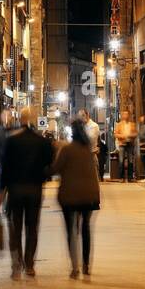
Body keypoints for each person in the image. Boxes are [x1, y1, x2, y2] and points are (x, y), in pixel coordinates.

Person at [0, 106, 54, 279]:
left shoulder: (11, 140)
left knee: (16, 227)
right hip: (34, 190)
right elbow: (49, 164)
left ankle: (16, 264)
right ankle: (29, 265)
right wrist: (42, 178)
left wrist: (1, 192)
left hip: (15, 190)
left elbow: (5, 168)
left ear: (19, 119)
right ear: (33, 119)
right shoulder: (41, 141)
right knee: (32, 227)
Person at [52, 118, 101, 278]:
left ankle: (75, 267)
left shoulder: (67, 150)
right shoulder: (88, 150)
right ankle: (86, 265)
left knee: (71, 231)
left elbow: (56, 168)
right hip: (89, 195)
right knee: (85, 228)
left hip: (70, 195)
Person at [0, 109, 15, 186]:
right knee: (0, 187)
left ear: (11, 117)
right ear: (1, 117)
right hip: (0, 163)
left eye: (8, 115)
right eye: (4, 115)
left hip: (13, 164)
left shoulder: (16, 130)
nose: (6, 117)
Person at [115, 110, 138, 182]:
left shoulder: (132, 124)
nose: (126, 116)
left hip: (130, 144)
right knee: (121, 160)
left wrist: (130, 135)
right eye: (124, 114)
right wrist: (123, 136)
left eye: (127, 114)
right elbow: (115, 134)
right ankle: (121, 177)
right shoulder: (119, 125)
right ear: (122, 116)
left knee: (130, 160)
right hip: (122, 143)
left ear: (129, 115)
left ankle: (130, 177)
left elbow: (136, 134)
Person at [78, 109, 102, 179]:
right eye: (80, 116)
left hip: (91, 154)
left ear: (87, 115)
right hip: (82, 155)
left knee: (93, 178)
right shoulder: (81, 126)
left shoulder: (94, 126)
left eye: (83, 115)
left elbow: (91, 139)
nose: (81, 117)